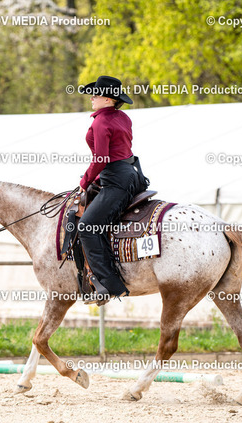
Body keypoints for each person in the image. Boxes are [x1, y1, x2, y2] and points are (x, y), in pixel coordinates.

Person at [77, 76, 148, 305]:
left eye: (96, 94)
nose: (92, 97)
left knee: (87, 226)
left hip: (116, 179)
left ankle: (108, 284)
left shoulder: (100, 122)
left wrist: (85, 181)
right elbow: (119, 152)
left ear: (108, 99)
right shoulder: (124, 118)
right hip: (133, 174)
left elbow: (101, 158)